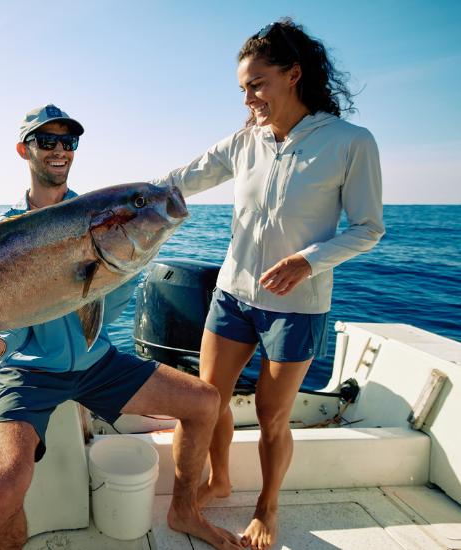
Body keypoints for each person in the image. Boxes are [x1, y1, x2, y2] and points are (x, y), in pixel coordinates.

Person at [0, 104, 244, 550]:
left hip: (99, 361)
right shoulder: (5, 233)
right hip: (29, 373)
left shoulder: (98, 215)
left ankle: (184, 510)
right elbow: (12, 332)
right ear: (25, 150)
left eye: (69, 141)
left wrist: (129, 253)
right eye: (47, 141)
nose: (60, 149)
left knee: (204, 403)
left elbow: (104, 307)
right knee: (0, 490)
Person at [150, 19, 385, 550]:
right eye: (242, 88)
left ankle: (267, 506)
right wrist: (105, 206)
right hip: (232, 296)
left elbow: (369, 228)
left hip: (296, 305)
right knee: (208, 399)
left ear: (294, 74)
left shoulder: (350, 142)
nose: (249, 97)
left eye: (257, 84)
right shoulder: (244, 142)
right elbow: (177, 181)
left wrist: (309, 261)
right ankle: (220, 480)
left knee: (271, 415)